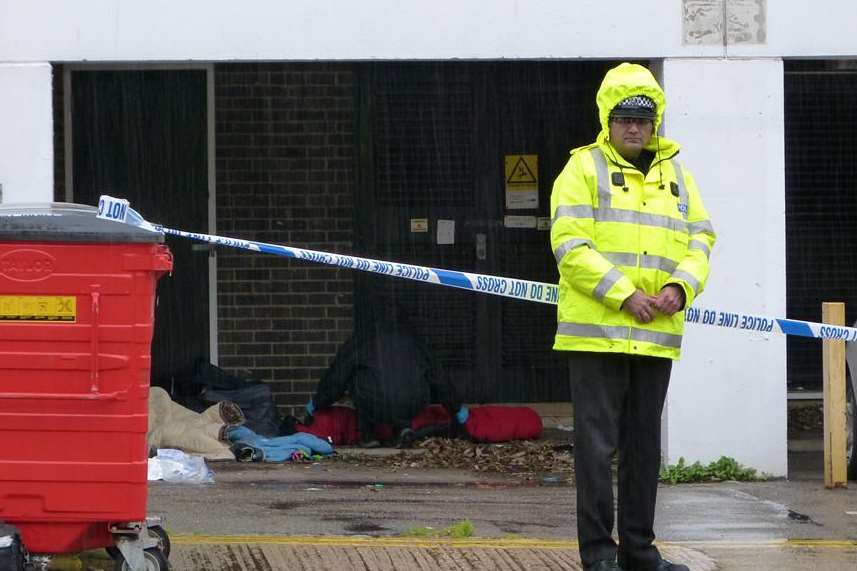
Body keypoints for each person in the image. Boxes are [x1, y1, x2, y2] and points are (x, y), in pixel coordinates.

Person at [550, 63, 716, 571]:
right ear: (607, 119)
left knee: (644, 450)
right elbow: (570, 246)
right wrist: (625, 295)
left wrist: (679, 287)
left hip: (655, 335)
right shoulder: (581, 169)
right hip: (597, 335)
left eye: (642, 120)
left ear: (655, 121)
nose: (633, 128)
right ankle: (599, 556)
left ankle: (640, 554)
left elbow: (701, 239)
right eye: (623, 119)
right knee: (596, 452)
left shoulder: (679, 177)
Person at [305, 303, 465, 448]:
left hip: (374, 402)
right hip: (413, 402)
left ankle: (368, 434)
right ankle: (403, 429)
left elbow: (337, 378)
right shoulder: (415, 340)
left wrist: (317, 403)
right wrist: (457, 408)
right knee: (405, 380)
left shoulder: (362, 339)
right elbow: (439, 378)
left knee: (355, 374)